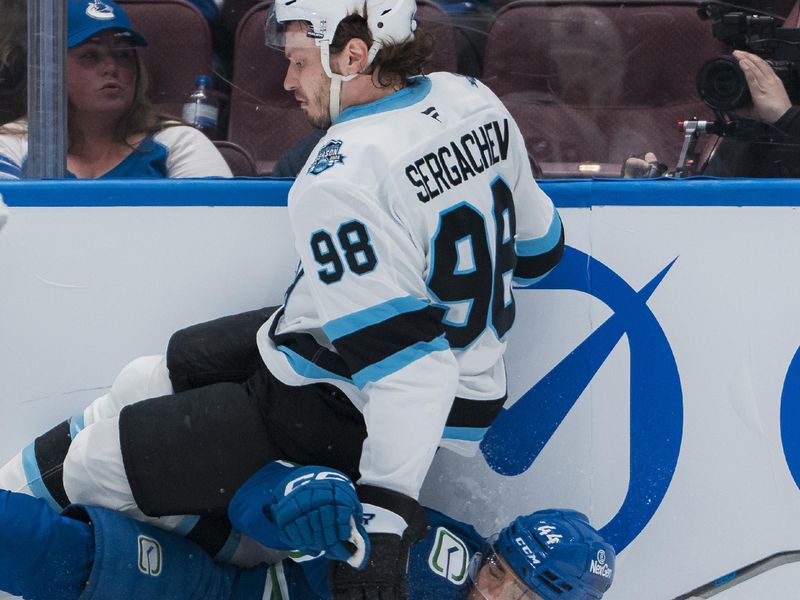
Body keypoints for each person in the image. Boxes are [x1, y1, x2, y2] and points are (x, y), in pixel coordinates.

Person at [0, 0, 564, 596]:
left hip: (346, 405)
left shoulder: (340, 176)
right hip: (451, 383)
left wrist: (384, 522)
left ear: (352, 55)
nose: (289, 81)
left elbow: (412, 374)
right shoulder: (470, 96)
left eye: (298, 62)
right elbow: (540, 249)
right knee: (154, 373)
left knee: (98, 462)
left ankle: (39, 511)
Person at [0, 461, 615, 600]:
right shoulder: (432, 566)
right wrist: (286, 502)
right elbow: (297, 521)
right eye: (496, 570)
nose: (488, 592)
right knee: (78, 558)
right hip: (245, 588)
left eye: (517, 596)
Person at [0, 0, 232, 179]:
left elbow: (218, 225)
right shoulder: (12, 143)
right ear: (49, 70)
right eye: (90, 56)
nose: (111, 67)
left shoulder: (178, 141)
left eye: (123, 54)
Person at [623, 49, 800, 178]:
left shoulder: (783, 118)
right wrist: (646, 193)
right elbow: (711, 210)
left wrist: (787, 119)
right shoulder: (748, 128)